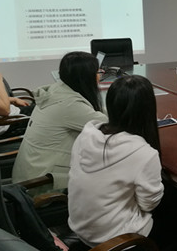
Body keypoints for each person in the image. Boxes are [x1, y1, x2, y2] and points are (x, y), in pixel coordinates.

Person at [68, 75, 164, 247]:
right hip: (117, 239)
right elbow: (148, 205)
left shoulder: (86, 135)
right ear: (148, 110)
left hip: (82, 229)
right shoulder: (143, 153)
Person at [11, 51, 108, 188]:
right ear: (85, 77)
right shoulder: (69, 105)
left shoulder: (57, 91)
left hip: (32, 172)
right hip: (44, 183)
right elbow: (109, 125)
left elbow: (94, 113)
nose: (100, 76)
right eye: (98, 72)